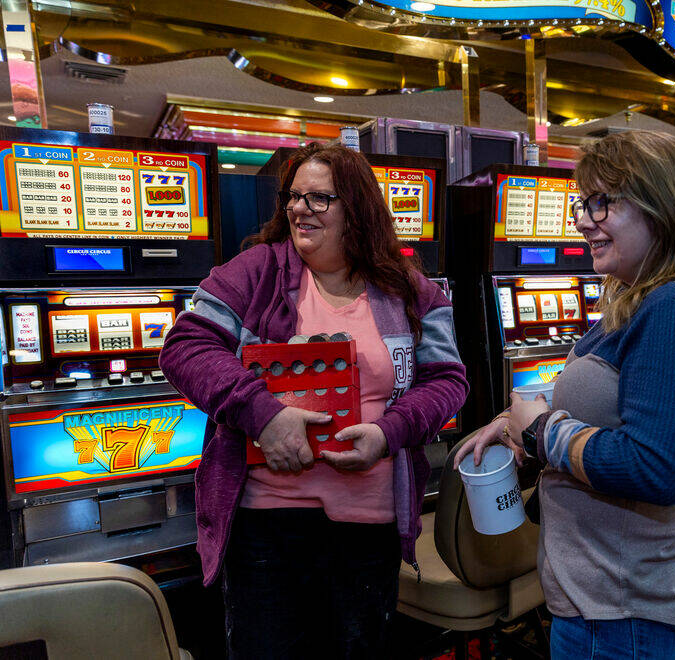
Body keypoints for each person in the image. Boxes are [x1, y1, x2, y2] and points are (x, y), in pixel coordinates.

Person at [456, 130, 675, 658]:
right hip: (608, 593)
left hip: (626, 603)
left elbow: (657, 469)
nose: (582, 219)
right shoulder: (642, 299)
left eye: (604, 202)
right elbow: (618, 402)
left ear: (663, 206)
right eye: (584, 202)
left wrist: (540, 430)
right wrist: (515, 421)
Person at [160, 142, 468, 659]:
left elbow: (447, 380)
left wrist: (388, 434)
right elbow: (185, 347)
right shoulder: (255, 272)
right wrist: (266, 417)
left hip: (370, 524)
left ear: (358, 209)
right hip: (267, 523)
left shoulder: (410, 289)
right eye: (294, 196)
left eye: (320, 198)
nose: (301, 209)